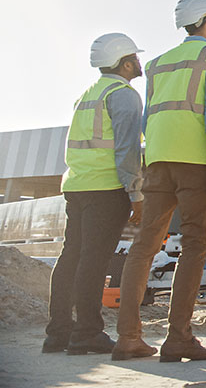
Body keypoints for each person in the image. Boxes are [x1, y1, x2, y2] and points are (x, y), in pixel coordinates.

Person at [112, 0, 206, 362]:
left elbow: (150, 117)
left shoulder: (158, 63)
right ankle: (178, 338)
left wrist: (149, 163)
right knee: (195, 245)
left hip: (158, 161)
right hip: (195, 161)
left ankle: (128, 338)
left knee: (144, 246)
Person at [44, 34, 145, 355]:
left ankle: (58, 333)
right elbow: (127, 150)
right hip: (106, 187)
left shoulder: (86, 95)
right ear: (126, 63)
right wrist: (136, 193)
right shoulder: (124, 95)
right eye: (135, 57)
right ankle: (87, 332)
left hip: (77, 185)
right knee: (94, 259)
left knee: (70, 256)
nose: (139, 62)